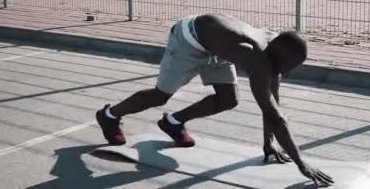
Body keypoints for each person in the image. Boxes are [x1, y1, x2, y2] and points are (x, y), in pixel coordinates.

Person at [95, 13, 334, 186]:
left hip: (217, 46)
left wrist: (269, 144)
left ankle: (173, 123)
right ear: (280, 55)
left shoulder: (275, 50)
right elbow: (275, 116)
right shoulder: (258, 59)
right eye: (290, 65)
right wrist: (301, 163)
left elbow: (272, 104)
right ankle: (109, 115)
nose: (288, 71)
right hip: (188, 39)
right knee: (160, 95)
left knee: (228, 99)